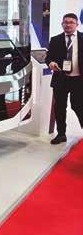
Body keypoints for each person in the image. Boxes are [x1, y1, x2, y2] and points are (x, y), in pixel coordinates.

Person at [46, 13, 83, 144]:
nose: (68, 25)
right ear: (62, 24)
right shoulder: (55, 39)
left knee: (78, 105)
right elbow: (48, 57)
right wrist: (51, 63)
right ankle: (61, 134)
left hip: (78, 79)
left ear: (77, 24)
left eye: (71, 22)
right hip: (60, 79)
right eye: (65, 22)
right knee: (60, 107)